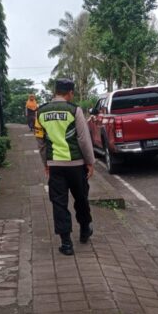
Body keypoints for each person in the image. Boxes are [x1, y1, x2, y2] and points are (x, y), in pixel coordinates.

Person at [35, 78, 95, 255]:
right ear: (70, 93)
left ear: (55, 91)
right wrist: (90, 162)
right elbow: (83, 139)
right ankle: (85, 229)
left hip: (55, 165)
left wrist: (46, 164)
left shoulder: (40, 112)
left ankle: (66, 243)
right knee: (81, 198)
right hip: (76, 164)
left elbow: (41, 143)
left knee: (59, 203)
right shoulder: (74, 110)